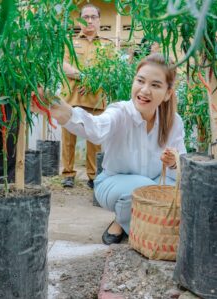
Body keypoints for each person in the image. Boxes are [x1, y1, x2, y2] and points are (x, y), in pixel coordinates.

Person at [31, 53, 186, 245]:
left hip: (155, 183)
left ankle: (138, 223)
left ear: (168, 93)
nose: (145, 90)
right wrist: (61, 109)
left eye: (155, 85)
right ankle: (122, 221)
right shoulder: (121, 112)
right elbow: (95, 127)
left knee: (179, 193)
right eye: (140, 81)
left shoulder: (174, 122)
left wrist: (173, 162)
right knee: (144, 189)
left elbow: (182, 163)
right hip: (113, 185)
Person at [61, 4, 115, 189]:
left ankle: (93, 176)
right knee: (69, 138)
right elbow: (63, 65)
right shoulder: (69, 42)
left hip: (95, 99)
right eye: (86, 17)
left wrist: (92, 83)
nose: (89, 20)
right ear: (80, 20)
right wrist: (84, 77)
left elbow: (110, 70)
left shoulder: (107, 45)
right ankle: (68, 174)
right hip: (72, 98)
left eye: (93, 17)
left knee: (94, 139)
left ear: (99, 20)